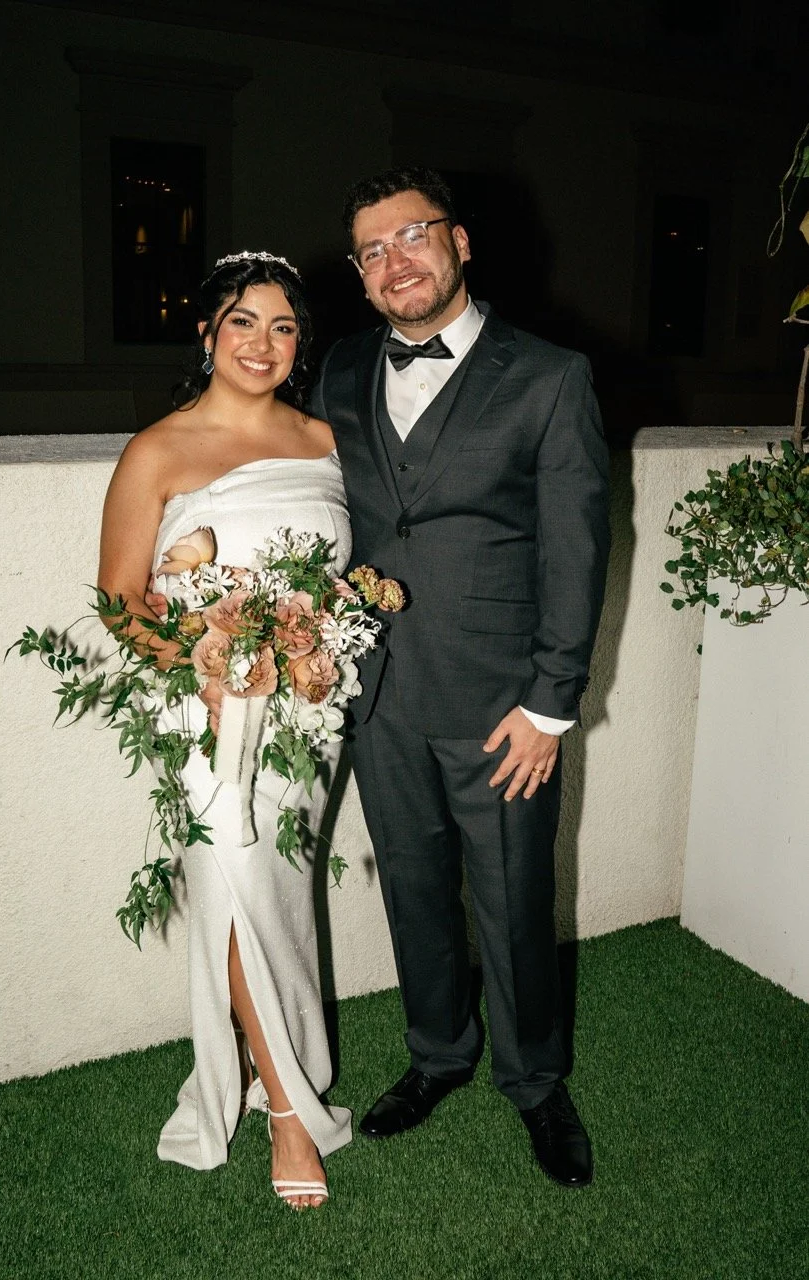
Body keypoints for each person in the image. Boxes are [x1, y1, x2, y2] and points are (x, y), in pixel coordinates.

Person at [309, 168, 610, 1187]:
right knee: (412, 888)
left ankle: (533, 1081)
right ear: (358, 276)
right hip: (376, 694)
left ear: (460, 242)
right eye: (372, 250)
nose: (396, 260)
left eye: (412, 235)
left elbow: (575, 550)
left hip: (500, 708)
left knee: (513, 901)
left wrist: (549, 705)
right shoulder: (339, 369)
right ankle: (437, 1052)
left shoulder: (550, 375)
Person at [98, 251, 352, 1209]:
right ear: (206, 334)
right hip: (203, 714)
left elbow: (341, 580)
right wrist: (202, 664)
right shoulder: (158, 450)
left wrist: (314, 644)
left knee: (277, 893)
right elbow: (122, 601)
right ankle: (289, 1111)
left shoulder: (329, 441)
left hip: (313, 709)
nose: (262, 343)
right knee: (236, 888)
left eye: (283, 327)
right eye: (242, 322)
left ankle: (268, 1064)